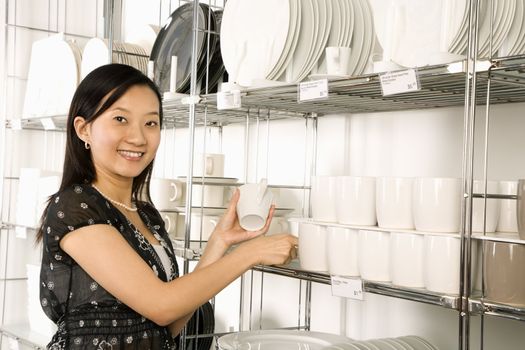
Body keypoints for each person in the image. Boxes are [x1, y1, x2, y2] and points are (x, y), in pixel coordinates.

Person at [36, 63, 298, 350]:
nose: (138, 137)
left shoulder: (145, 214)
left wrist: (219, 242)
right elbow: (161, 304)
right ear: (83, 129)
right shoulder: (76, 206)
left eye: (150, 123)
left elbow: (167, 322)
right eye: (121, 119)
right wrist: (252, 253)